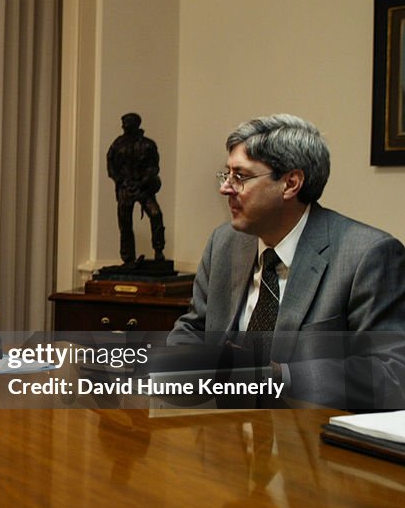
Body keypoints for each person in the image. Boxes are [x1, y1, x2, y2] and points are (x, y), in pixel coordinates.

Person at [168, 113, 405, 408]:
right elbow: (192, 330)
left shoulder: (367, 255)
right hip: (222, 435)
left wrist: (276, 377)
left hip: (310, 443)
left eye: (240, 177)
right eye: (226, 174)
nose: (225, 188)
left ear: (291, 183)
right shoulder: (225, 243)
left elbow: (392, 374)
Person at [107, 113, 166, 263]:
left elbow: (154, 166)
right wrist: (119, 180)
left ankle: (159, 250)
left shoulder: (148, 144)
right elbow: (111, 164)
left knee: (156, 214)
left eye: (127, 122)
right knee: (125, 222)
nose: (124, 126)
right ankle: (128, 258)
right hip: (125, 188)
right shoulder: (117, 144)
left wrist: (144, 180)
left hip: (144, 188)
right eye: (124, 123)